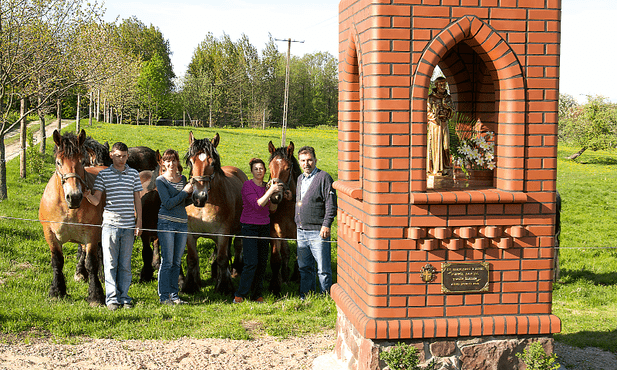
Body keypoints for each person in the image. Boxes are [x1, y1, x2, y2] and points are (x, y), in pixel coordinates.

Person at [85, 142, 143, 311]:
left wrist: (138, 222)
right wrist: (87, 195)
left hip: (128, 225)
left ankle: (124, 297)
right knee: (110, 264)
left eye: (124, 156)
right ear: (111, 155)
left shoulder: (133, 174)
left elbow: (137, 200)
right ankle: (111, 299)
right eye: (118, 156)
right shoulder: (103, 176)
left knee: (125, 264)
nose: (121, 159)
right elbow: (97, 200)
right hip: (110, 225)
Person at [233, 158, 286, 303]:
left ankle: (257, 295)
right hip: (249, 226)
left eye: (261, 169)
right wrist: (270, 192)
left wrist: (276, 197)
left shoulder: (268, 186)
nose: (259, 171)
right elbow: (258, 205)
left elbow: (272, 209)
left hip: (264, 226)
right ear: (251, 171)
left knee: (262, 262)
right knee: (251, 262)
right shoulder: (247, 186)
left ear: (265, 171)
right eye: (256, 169)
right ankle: (240, 294)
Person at [295, 146, 337, 298]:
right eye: (303, 161)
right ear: (299, 162)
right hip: (301, 230)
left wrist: (326, 224)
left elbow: (331, 204)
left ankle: (325, 296)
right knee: (305, 267)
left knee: (323, 268)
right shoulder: (300, 179)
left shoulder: (324, 178)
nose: (306, 163)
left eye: (309, 160)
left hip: (318, 231)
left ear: (315, 160)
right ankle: (307, 295)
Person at [155, 149, 193, 305]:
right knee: (167, 261)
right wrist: (185, 192)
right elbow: (169, 203)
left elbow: (183, 202)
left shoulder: (184, 179)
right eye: (167, 161)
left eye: (173, 160)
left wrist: (195, 195)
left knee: (177, 262)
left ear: (178, 162)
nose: (171, 164)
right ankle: (164, 296)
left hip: (182, 223)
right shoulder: (160, 181)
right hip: (166, 223)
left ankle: (174, 295)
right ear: (163, 163)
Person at [427, 76, 455, 176]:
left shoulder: (448, 98)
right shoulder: (431, 98)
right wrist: (437, 115)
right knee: (436, 146)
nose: (443, 86)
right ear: (436, 85)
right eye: (441, 84)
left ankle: (446, 167)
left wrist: (448, 109)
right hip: (435, 126)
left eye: (444, 84)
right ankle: (436, 169)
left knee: (446, 146)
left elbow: (453, 112)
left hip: (444, 124)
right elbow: (428, 112)